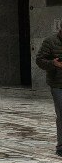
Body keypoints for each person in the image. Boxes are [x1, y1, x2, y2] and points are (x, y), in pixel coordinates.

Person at [35, 28, 62, 156]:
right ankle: (61, 146)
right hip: (58, 84)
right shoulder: (50, 41)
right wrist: (53, 63)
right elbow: (39, 60)